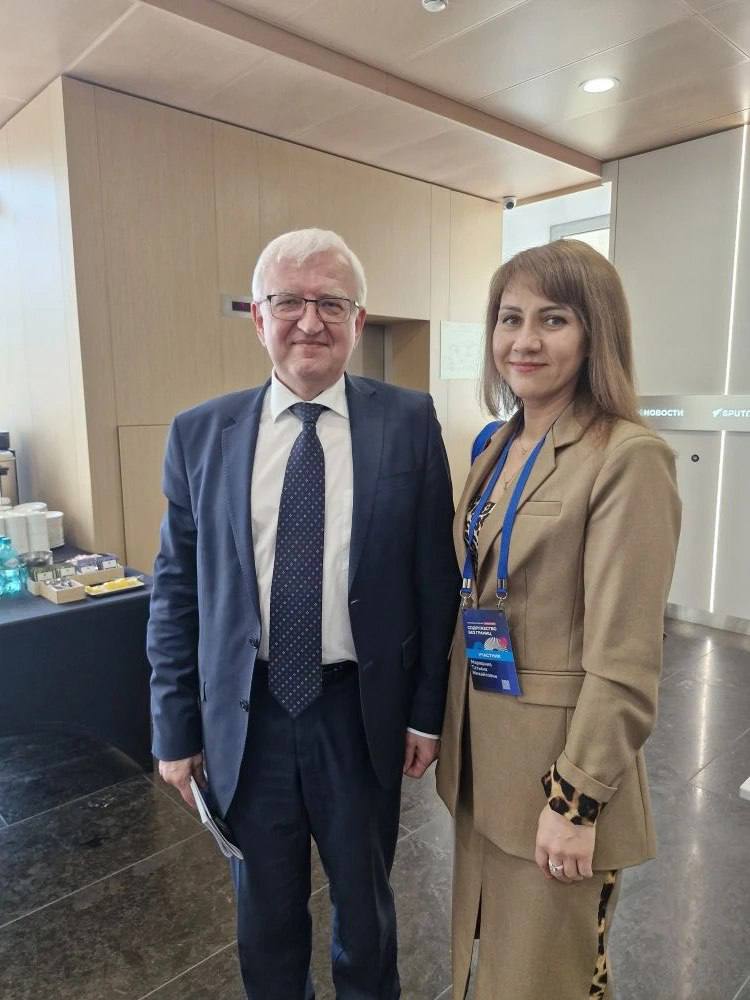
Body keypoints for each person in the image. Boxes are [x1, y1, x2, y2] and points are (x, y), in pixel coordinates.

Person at [147, 228, 458, 1000]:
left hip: (360, 711)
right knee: (265, 917)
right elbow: (176, 593)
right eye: (289, 301)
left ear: (359, 320)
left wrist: (427, 714)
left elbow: (434, 578)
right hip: (247, 718)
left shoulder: (409, 422)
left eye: (331, 304)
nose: (310, 322)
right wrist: (174, 728)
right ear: (258, 317)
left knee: (367, 909)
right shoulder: (200, 434)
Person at [436, 239, 681, 1000]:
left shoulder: (627, 456)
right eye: (510, 318)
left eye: (554, 319)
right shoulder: (497, 443)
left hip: (556, 774)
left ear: (595, 331)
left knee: (550, 979)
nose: (525, 340)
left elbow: (626, 661)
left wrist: (575, 801)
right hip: (485, 760)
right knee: (491, 969)